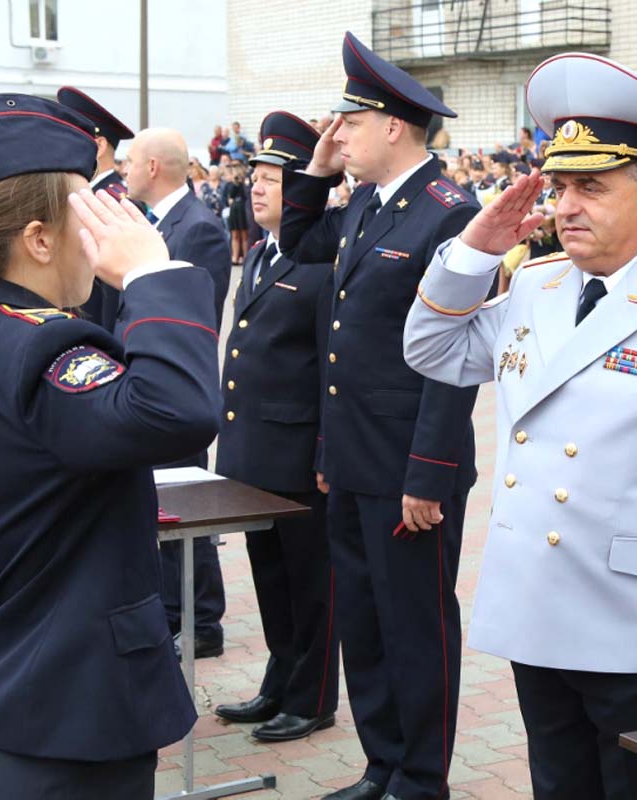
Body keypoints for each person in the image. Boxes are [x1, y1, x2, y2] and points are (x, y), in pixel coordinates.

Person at [404, 52, 637, 800]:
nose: (567, 204)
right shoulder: (536, 285)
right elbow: (431, 348)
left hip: (635, 630)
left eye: (591, 186)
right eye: (559, 185)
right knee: (559, 787)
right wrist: (474, 250)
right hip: (537, 611)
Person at [0, 92, 219, 799]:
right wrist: (151, 274)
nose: (101, 234)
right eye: (86, 214)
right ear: (39, 240)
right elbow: (179, 412)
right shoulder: (45, 349)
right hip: (63, 743)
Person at [279, 31, 482, 800]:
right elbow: (298, 242)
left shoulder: (448, 213)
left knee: (415, 627)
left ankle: (422, 778)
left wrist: (428, 474)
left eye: (348, 125)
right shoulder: (364, 201)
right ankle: (383, 765)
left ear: (393, 126)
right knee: (363, 623)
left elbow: (455, 359)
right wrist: (317, 172)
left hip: (410, 467)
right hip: (353, 457)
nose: (337, 136)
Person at [213, 112, 340, 742]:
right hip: (257, 451)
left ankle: (313, 695)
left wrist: (324, 450)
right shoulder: (262, 253)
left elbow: (328, 370)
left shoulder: (320, 262)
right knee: (270, 573)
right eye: (256, 177)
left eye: (274, 179)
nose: (258, 188)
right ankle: (279, 680)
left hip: (299, 453)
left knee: (311, 581)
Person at [125, 126, 230, 659]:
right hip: (146, 384)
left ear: (152, 168)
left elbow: (196, 318)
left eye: (129, 162)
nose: (123, 171)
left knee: (186, 506)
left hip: (177, 386)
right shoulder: (155, 224)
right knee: (160, 503)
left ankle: (202, 621)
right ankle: (172, 611)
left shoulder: (199, 229)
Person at [56, 86, 136, 332]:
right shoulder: (87, 195)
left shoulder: (110, 202)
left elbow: (111, 295)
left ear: (99, 146)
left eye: (70, 140)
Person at [224, 160, 249, 264]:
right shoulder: (230, 184)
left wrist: (241, 182)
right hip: (234, 208)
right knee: (234, 234)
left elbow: (245, 195)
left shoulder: (245, 182)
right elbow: (229, 197)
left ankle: (246, 256)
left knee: (244, 234)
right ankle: (235, 256)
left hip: (243, 208)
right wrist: (234, 183)